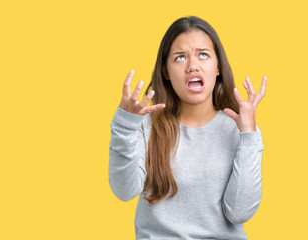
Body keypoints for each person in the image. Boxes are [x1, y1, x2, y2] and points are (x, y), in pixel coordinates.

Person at [109, 16, 267, 239]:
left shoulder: (240, 130)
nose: (193, 66)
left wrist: (249, 136)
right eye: (180, 57)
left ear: (218, 66)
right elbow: (124, 191)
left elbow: (239, 213)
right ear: (165, 71)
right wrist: (124, 128)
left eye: (203, 55)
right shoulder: (147, 126)